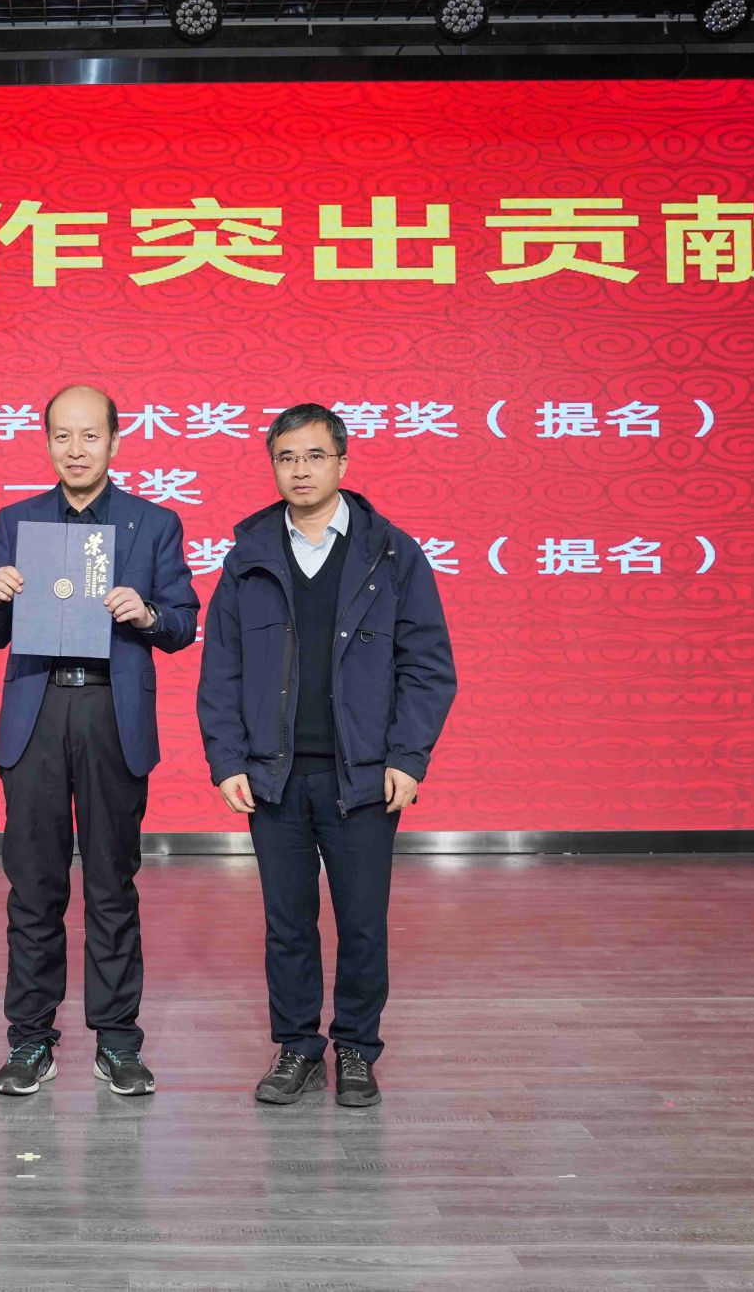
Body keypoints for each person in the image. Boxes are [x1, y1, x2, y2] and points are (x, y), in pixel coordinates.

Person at [195, 402, 456, 1108]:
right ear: (273, 466)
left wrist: (407, 757)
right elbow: (221, 669)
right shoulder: (248, 557)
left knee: (362, 923)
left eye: (315, 456)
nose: (301, 470)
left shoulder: (392, 553)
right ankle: (297, 1047)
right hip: (274, 776)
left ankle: (357, 1050)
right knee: (287, 925)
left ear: (343, 462)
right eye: (287, 457)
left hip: (362, 776)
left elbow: (428, 666)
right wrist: (227, 760)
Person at [0, 384, 200, 1096]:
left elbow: (183, 623)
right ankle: (30, 1039)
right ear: (46, 442)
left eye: (90, 435)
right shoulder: (17, 520)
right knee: (33, 885)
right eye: (62, 436)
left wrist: (147, 612)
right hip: (37, 710)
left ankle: (118, 1040)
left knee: (111, 884)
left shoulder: (153, 523)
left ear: (115, 441)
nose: (76, 449)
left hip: (110, 710)